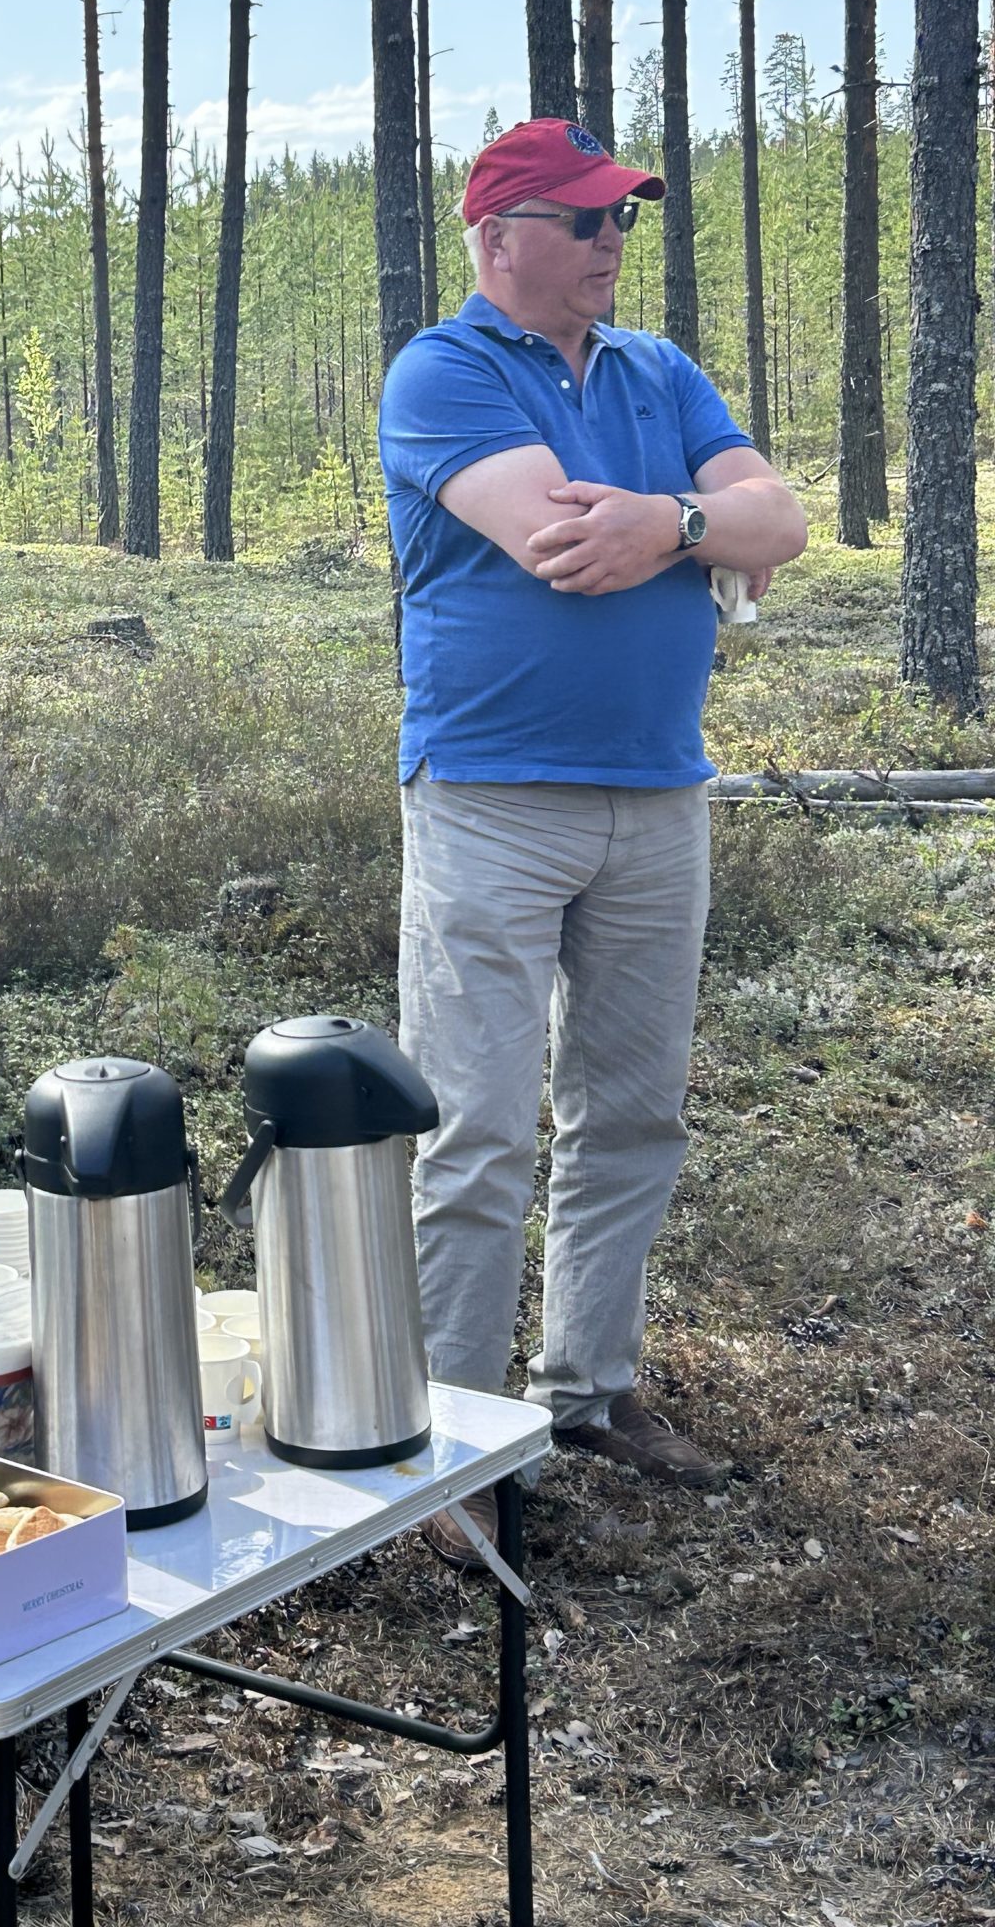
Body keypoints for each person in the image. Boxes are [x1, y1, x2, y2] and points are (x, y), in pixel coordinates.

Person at [377, 117, 807, 1565]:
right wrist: (699, 526)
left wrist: (674, 516)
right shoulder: (441, 372)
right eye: (583, 220)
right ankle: (444, 1446)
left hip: (659, 794)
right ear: (498, 238)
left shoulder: (658, 369)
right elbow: (556, 542)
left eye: (622, 217)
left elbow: (783, 520)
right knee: (475, 1126)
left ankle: (590, 1392)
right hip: (490, 800)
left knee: (632, 1111)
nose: (614, 242)